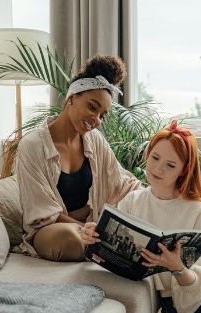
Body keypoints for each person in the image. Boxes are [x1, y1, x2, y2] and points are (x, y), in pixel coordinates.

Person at [80, 120, 201, 313]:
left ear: (184, 170)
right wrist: (93, 238)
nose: (158, 169)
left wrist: (177, 267)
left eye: (170, 165)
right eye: (155, 158)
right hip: (175, 306)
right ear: (147, 155)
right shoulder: (133, 201)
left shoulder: (196, 209)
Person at [15, 55, 142, 261]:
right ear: (72, 97)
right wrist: (84, 229)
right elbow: (42, 211)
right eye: (92, 107)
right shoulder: (32, 145)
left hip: (89, 227)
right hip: (51, 229)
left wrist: (160, 195)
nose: (97, 119)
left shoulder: (95, 141)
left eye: (103, 115)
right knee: (72, 240)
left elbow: (120, 182)